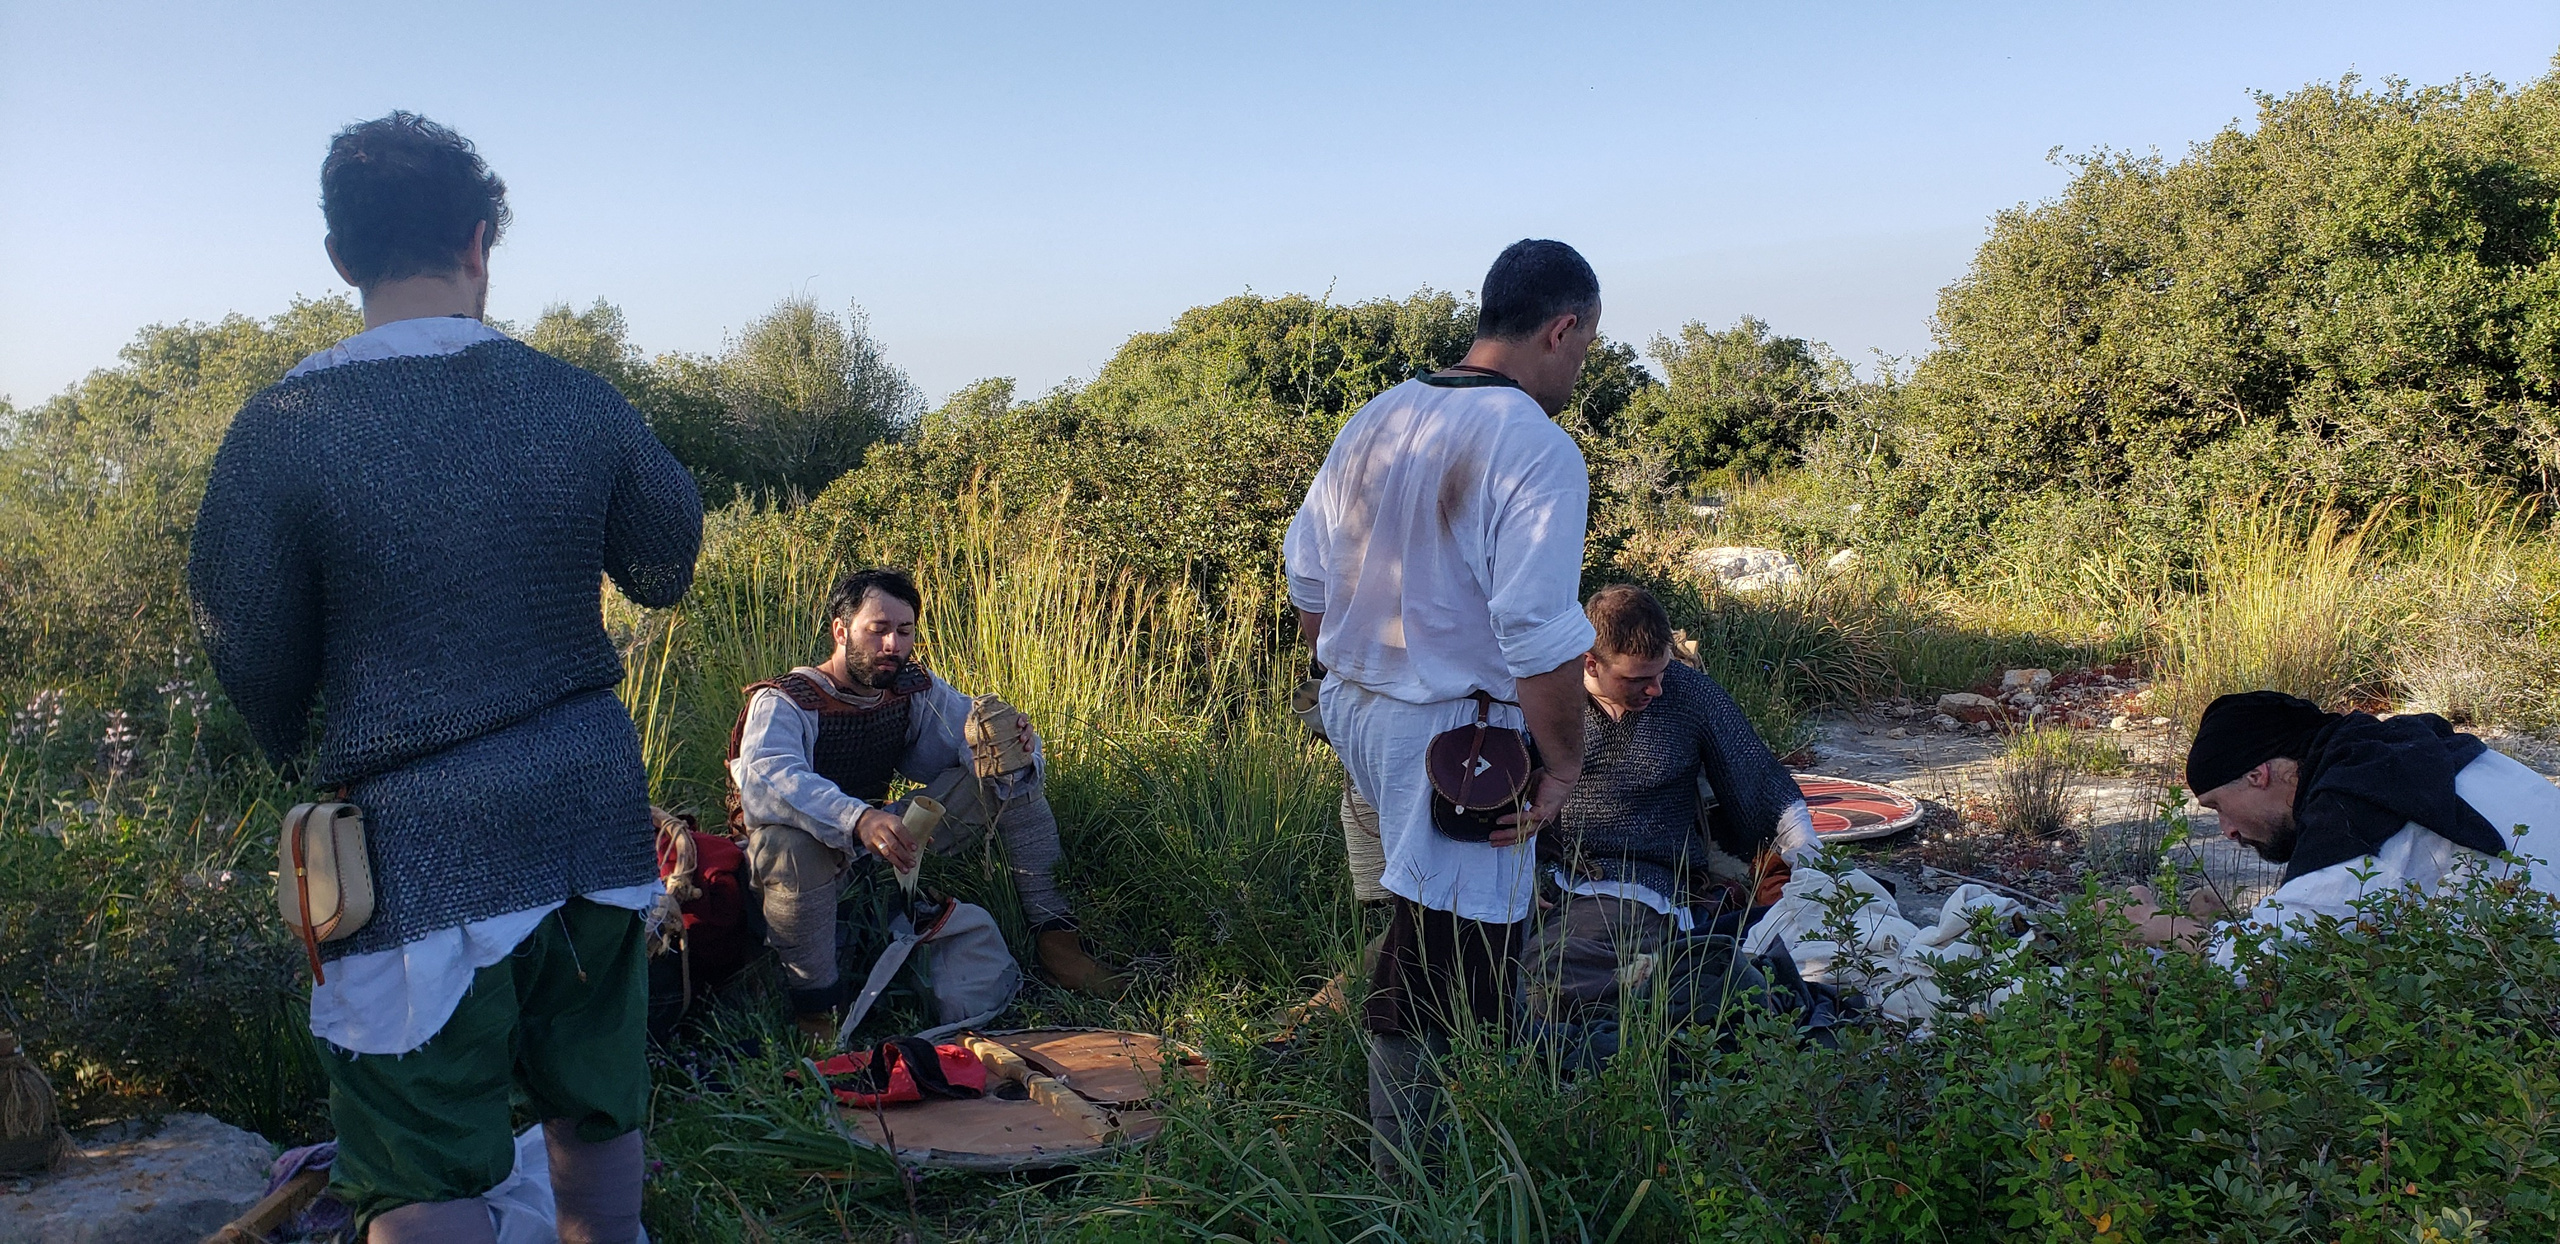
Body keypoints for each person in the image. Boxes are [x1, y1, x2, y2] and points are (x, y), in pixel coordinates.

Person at [189, 113, 701, 1244]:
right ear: (480, 242)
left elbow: (248, 645)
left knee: (421, 1146)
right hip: (587, 802)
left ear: (340, 257)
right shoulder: (570, 394)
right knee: (593, 1091)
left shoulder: (283, 427)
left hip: (412, 831)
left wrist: (298, 737)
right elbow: (668, 554)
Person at [1283, 238, 1603, 1172]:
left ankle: (1452, 1134)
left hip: (1358, 707)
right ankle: (1409, 1185)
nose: (1580, 364)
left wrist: (1354, 686)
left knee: (1417, 926)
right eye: (1585, 345)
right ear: (1562, 326)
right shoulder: (1536, 447)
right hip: (1459, 736)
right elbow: (1538, 634)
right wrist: (1565, 766)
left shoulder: (1380, 413)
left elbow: (1307, 581)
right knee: (1439, 958)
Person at [728, 567, 1124, 1039]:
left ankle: (1059, 943)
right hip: (795, 872)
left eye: (903, 631)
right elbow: (769, 780)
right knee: (789, 842)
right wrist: (858, 818)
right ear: (841, 630)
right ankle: (816, 1012)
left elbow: (965, 733)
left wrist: (1014, 741)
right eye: (878, 630)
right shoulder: (785, 702)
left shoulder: (909, 687)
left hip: (877, 848)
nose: (892, 645)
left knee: (1006, 769)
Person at [1521, 585, 1817, 1022]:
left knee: (1546, 971)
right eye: (1638, 680)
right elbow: (1501, 798)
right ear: (1590, 663)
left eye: (1660, 673)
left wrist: (1809, 854)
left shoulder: (1689, 693)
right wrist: (1519, 874)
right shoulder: (1543, 697)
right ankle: (1671, 976)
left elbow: (1759, 779)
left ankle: (1675, 976)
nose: (1657, 689)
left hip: (1638, 883)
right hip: (1544, 876)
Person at [2122, 690, 2560, 959]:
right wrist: (2230, 923)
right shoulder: (2403, 751)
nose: (2227, 829)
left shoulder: (2356, 808)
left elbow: (2260, 965)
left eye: (2218, 805)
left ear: (2258, 775)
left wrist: (2154, 924)